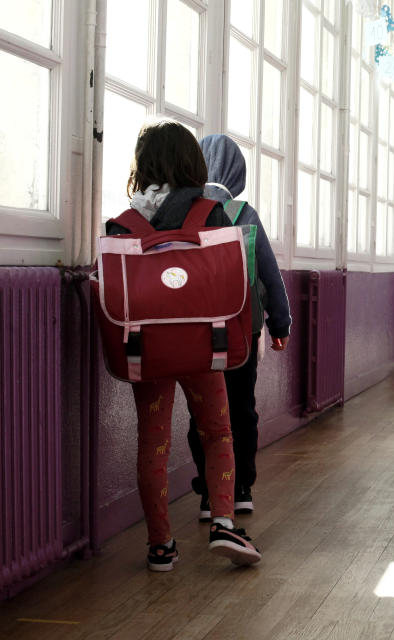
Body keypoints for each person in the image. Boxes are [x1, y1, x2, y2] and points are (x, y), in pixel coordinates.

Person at [107, 119, 261, 571]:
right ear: (194, 163)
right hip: (203, 343)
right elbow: (235, 280)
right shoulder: (211, 215)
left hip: (146, 348)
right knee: (216, 432)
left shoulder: (123, 224)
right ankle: (224, 523)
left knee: (152, 441)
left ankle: (160, 546)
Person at [186, 134, 292, 521]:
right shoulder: (244, 213)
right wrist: (280, 324)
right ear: (237, 172)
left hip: (194, 333)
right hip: (241, 331)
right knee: (241, 410)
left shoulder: (186, 212)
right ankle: (241, 487)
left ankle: (208, 492)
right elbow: (270, 274)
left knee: (202, 414)